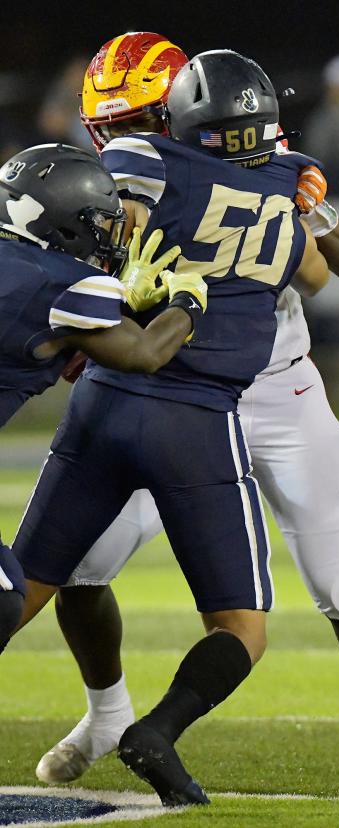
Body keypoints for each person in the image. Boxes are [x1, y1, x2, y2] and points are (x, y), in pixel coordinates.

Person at [32, 32, 339, 790]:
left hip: (275, 389)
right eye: (113, 127)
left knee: (338, 589)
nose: (124, 142)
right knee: (81, 568)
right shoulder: (130, 179)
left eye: (140, 120)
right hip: (169, 393)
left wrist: (298, 212)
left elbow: (323, 270)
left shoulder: (250, 170)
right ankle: (108, 712)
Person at [7, 49, 331, 807]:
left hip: (105, 398)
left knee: (21, 590)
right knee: (241, 626)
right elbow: (320, 272)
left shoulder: (146, 158)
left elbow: (106, 226)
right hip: (198, 415)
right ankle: (156, 731)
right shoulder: (282, 190)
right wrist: (302, 191)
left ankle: (120, 721)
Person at [0, 142, 206, 643]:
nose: (107, 239)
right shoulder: (62, 282)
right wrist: (187, 303)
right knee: (5, 599)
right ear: (63, 220)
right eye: (96, 224)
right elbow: (145, 354)